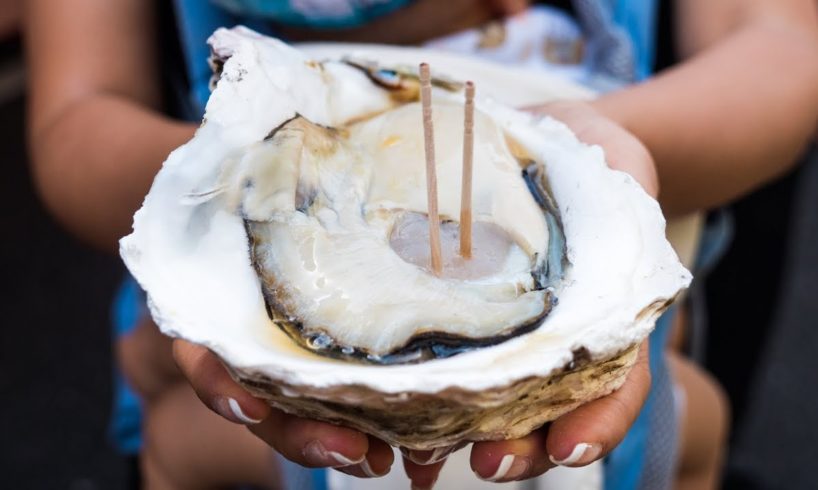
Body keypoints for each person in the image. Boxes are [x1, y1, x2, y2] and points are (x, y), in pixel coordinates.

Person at [24, 1, 818, 489]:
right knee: (176, 432)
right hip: (239, 400)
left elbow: (785, 47)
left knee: (690, 424)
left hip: (594, 336)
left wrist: (578, 150)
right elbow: (77, 113)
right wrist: (209, 188)